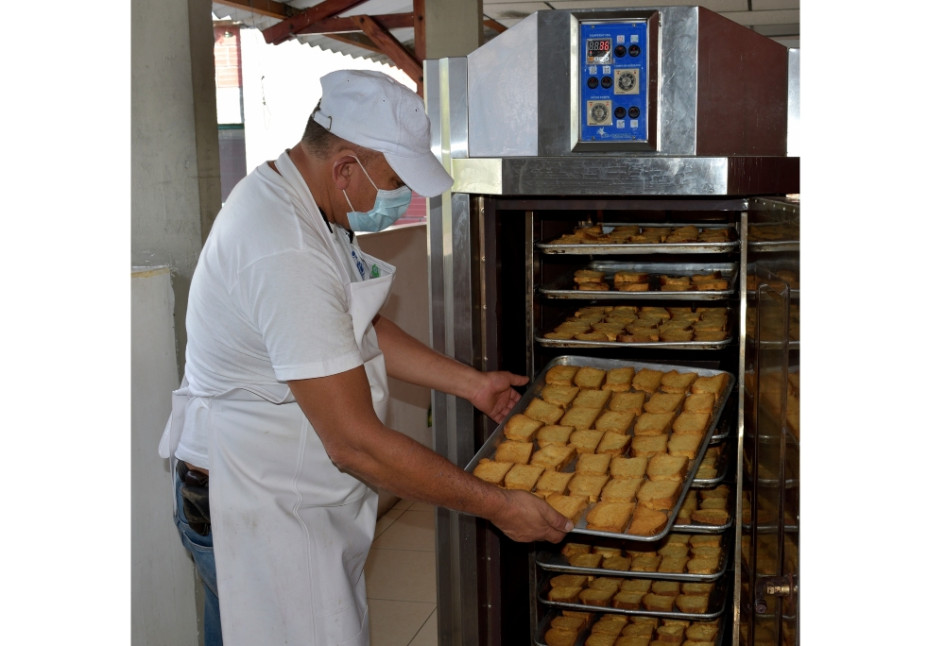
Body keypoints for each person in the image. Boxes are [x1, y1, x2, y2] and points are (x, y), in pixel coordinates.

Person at [159, 69, 572, 646]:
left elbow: (356, 325)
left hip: (279, 490)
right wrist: (497, 505)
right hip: (256, 505)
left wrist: (471, 385)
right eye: (394, 180)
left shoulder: (307, 204)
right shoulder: (285, 248)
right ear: (345, 167)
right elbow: (354, 443)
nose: (399, 198)